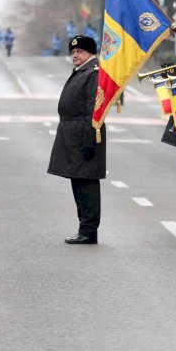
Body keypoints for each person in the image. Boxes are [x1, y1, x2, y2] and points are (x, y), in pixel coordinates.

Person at [48, 35, 106, 245]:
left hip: (83, 132)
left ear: (91, 53)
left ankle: (89, 230)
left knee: (86, 183)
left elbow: (94, 108)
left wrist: (90, 139)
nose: (75, 55)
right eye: (73, 52)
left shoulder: (94, 73)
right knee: (78, 181)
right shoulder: (83, 71)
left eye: (80, 52)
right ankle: (85, 228)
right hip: (73, 132)